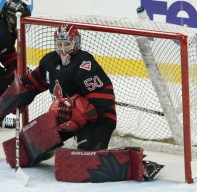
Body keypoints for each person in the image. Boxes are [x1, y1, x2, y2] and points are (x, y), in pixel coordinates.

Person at [0, 24, 163, 182]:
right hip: (63, 118)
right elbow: (31, 83)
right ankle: (46, 149)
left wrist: (75, 111)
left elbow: (103, 102)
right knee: (21, 152)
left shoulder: (85, 64)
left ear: (76, 42)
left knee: (85, 161)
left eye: (67, 43)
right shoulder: (49, 62)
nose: (63, 48)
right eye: (60, 43)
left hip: (97, 120)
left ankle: (138, 165)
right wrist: (15, 96)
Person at [0, 0, 31, 128]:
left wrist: (21, 69)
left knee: (11, 76)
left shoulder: (5, 30)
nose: (22, 23)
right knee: (5, 80)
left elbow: (7, 56)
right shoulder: (2, 33)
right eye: (20, 20)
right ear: (11, 18)